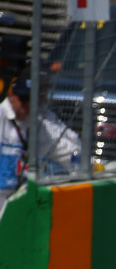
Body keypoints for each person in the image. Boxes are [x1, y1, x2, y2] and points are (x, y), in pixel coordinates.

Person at [1, 69, 82, 217]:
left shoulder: (39, 123)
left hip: (18, 197)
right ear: (11, 96)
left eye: (31, 100)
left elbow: (62, 147)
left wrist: (88, 165)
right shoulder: (1, 117)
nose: (26, 105)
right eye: (23, 99)